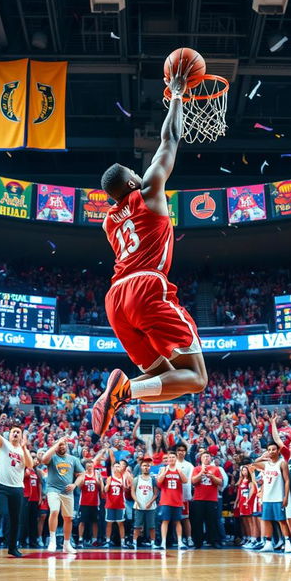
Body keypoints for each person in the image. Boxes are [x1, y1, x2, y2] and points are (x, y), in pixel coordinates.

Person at [91, 61, 207, 436]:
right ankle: (125, 389)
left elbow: (120, 199)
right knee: (197, 378)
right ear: (131, 180)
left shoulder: (109, 221)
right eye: (134, 173)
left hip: (115, 299)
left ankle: (124, 392)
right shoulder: (150, 191)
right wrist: (177, 94)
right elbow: (169, 140)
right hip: (145, 287)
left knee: (168, 383)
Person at [0, 404, 34, 558]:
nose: (15, 434)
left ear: (21, 436)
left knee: (15, 519)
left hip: (17, 488)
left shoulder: (22, 450)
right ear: (9, 434)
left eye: (18, 432)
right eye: (13, 432)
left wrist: (25, 448)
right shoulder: (3, 445)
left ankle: (12, 547)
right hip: (1, 486)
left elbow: (30, 465)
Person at [41, 437, 84, 554]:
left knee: (68, 518)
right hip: (53, 489)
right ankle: (52, 541)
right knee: (54, 511)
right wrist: (56, 444)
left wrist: (75, 485)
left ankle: (66, 544)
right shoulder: (52, 457)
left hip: (68, 491)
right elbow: (44, 459)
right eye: (59, 445)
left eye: (63, 444)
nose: (62, 446)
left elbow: (81, 474)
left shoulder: (73, 459)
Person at [250, 442, 291, 553]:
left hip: (278, 496)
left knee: (281, 521)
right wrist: (262, 457)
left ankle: (287, 542)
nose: (271, 451)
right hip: (267, 497)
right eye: (269, 449)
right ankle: (268, 543)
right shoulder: (266, 464)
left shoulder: (282, 463)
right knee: (267, 520)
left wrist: (286, 497)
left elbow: (287, 480)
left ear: (278, 451)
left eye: (274, 449)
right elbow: (253, 464)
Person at [191, 452, 223, 549]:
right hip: (198, 499)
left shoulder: (216, 469)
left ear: (211, 458)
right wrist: (201, 473)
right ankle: (198, 542)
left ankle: (214, 541)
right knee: (197, 522)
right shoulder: (196, 469)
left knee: (212, 521)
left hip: (212, 499)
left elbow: (220, 482)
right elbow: (193, 481)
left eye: (208, 456)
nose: (206, 458)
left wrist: (212, 476)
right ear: (201, 459)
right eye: (204, 456)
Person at [156, 450, 187, 550]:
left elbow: (185, 481)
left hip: (177, 500)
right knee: (165, 521)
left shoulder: (179, 469)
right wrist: (165, 472)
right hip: (166, 500)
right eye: (170, 457)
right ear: (167, 459)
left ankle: (180, 542)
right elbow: (158, 482)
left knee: (177, 521)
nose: (171, 459)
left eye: (173, 457)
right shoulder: (163, 469)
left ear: (176, 459)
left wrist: (180, 471)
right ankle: (163, 543)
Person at [132, 457, 158, 548]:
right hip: (139, 506)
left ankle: (153, 543)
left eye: (148, 465)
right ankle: (134, 542)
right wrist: (137, 501)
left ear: (150, 467)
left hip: (150, 506)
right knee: (137, 525)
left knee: (151, 526)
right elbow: (132, 492)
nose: (146, 467)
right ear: (141, 467)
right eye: (144, 465)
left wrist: (150, 502)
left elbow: (155, 493)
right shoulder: (136, 479)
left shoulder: (153, 479)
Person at [77, 460, 103, 548]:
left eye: (91, 465)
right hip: (84, 502)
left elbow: (100, 488)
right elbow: (79, 487)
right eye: (88, 466)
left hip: (95, 502)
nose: (89, 467)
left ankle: (94, 540)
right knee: (82, 521)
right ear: (85, 467)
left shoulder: (97, 474)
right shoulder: (83, 474)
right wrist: (83, 479)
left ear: (93, 466)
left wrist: (98, 480)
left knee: (95, 522)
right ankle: (80, 539)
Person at [104, 461, 129, 547]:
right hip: (110, 504)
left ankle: (123, 542)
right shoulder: (110, 478)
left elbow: (126, 490)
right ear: (112, 468)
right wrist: (107, 484)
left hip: (120, 504)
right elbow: (105, 490)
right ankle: (107, 541)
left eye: (118, 466)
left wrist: (124, 486)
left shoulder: (123, 478)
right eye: (115, 466)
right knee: (109, 523)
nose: (116, 468)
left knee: (120, 523)